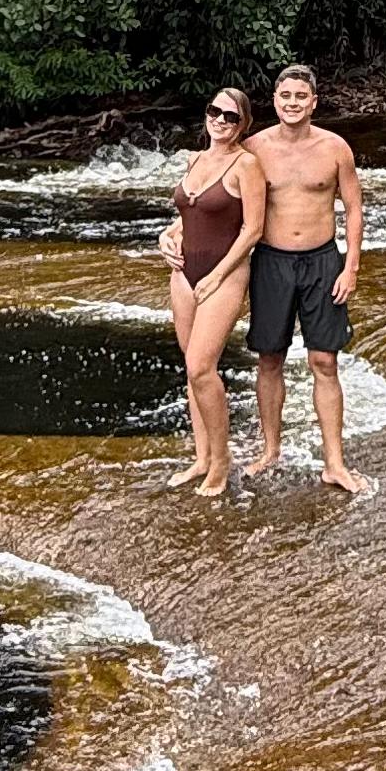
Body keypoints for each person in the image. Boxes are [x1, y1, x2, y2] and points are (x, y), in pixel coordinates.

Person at [244, 62, 371, 497]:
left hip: (322, 262)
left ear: (313, 102)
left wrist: (351, 265)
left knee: (325, 361)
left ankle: (334, 462)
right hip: (270, 262)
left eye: (301, 97)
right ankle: (270, 450)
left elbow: (353, 207)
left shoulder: (335, 148)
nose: (293, 104)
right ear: (275, 101)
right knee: (269, 359)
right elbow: (222, 197)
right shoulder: (254, 148)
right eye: (286, 97)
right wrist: (179, 231)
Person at [156, 86, 266, 501]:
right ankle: (201, 457)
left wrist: (219, 275)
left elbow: (252, 229)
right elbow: (189, 214)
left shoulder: (246, 165)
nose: (220, 120)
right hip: (183, 273)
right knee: (191, 369)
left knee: (203, 367)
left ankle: (222, 461)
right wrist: (165, 236)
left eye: (231, 116)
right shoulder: (194, 159)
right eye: (214, 111)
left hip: (226, 274)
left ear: (243, 125)